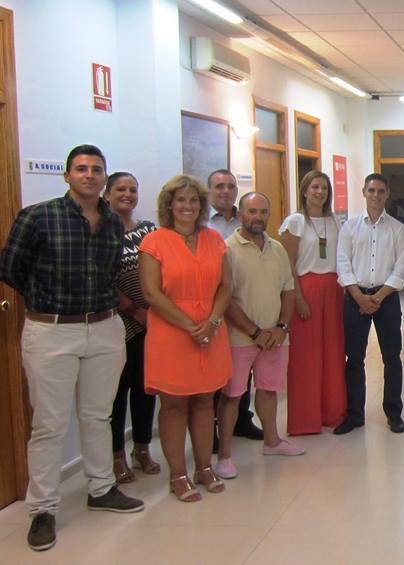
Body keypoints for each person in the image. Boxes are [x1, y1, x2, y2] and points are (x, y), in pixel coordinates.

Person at [0, 145, 144, 552]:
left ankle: (101, 489)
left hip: (103, 329)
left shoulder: (113, 224)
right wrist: (45, 298)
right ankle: (42, 508)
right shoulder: (38, 216)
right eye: (81, 169)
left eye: (97, 169)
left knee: (98, 415)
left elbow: (112, 270)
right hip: (52, 331)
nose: (89, 175)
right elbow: (9, 267)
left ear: (104, 177)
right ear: (67, 175)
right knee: (49, 424)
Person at [140, 174, 232, 503]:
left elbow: (226, 285)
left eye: (194, 200)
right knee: (175, 405)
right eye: (181, 200)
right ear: (169, 205)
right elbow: (151, 292)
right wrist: (191, 326)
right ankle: (177, 474)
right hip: (172, 333)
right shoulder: (154, 242)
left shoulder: (214, 240)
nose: (188, 206)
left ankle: (204, 467)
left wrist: (212, 321)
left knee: (206, 401)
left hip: (211, 329)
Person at [216, 193, 304, 479]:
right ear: (240, 214)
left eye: (263, 212)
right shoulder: (226, 249)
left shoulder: (277, 249)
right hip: (240, 338)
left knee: (269, 390)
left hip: (275, 337)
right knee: (232, 395)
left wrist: (281, 327)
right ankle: (225, 456)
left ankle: (272, 441)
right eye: (252, 211)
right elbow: (225, 299)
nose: (258, 217)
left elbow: (288, 291)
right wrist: (254, 331)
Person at [334, 174, 404, 435]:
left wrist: (376, 298)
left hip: (386, 300)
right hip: (355, 298)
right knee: (354, 359)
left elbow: (401, 269)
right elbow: (343, 265)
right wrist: (359, 297)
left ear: (387, 193)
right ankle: (355, 415)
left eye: (380, 190)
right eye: (371, 190)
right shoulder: (350, 228)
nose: (376, 195)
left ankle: (394, 413)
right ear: (363, 192)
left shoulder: (398, 230)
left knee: (392, 358)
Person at [279, 171, 347, 435]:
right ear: (305, 190)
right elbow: (288, 265)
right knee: (305, 357)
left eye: (324, 188)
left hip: (333, 289)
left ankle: (333, 413)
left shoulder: (335, 222)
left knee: (333, 352)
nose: (320, 192)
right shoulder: (295, 222)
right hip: (305, 289)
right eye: (315, 187)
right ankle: (305, 419)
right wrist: (297, 298)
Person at [104, 172, 160, 483]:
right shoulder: (99, 230)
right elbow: (101, 278)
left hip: (153, 322)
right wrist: (135, 310)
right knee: (117, 392)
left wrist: (154, 311)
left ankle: (142, 448)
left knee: (145, 388)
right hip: (118, 323)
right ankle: (116, 455)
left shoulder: (149, 231)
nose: (127, 194)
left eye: (133, 189)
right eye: (120, 189)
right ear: (108, 194)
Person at [208, 169, 262, 441]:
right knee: (217, 371)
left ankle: (242, 419)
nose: (225, 191)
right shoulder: (202, 224)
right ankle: (214, 429)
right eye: (219, 186)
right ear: (209, 191)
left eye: (230, 186)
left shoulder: (245, 220)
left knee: (244, 367)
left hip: (244, 302)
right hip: (213, 305)